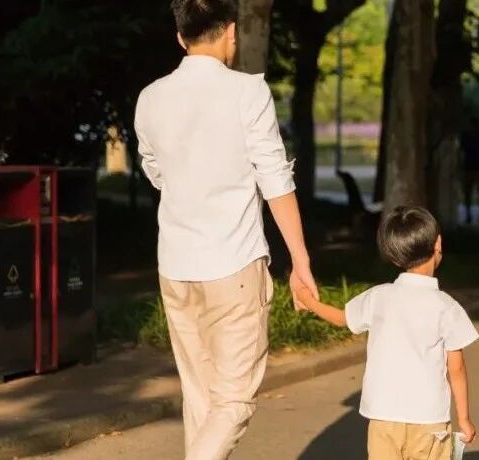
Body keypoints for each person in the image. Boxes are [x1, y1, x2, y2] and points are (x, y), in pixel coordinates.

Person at [133, 1, 318, 458]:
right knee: (232, 400)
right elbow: (276, 180)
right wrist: (300, 259)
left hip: (175, 266)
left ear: (180, 37)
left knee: (201, 398)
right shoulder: (247, 92)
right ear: (231, 32)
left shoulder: (151, 96)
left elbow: (154, 170)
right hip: (233, 265)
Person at [295, 206, 479, 460]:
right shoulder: (446, 307)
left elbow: (341, 318)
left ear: (395, 255)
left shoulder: (378, 297)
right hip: (429, 421)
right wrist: (465, 418)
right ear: (438, 244)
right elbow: (455, 369)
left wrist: (308, 299)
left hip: (383, 417)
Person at [459, 120, 479, 225]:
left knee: (471, 192)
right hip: (476, 167)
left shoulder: (468, 135)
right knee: (478, 192)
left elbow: (461, 151)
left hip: (472, 167)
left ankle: (472, 215)